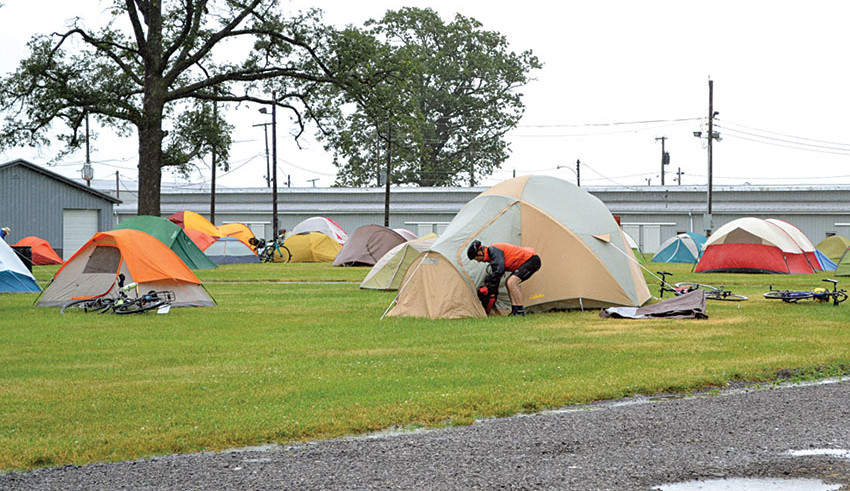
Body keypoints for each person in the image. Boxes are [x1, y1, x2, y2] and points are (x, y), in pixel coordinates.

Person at [467, 240, 541, 316]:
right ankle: (515, 310)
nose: (478, 261)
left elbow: (499, 270)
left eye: (476, 259)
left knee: (511, 283)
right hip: (528, 261)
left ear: (479, 253)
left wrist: (491, 279)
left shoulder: (493, 250)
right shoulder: (491, 255)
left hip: (531, 260)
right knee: (508, 283)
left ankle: (520, 311)